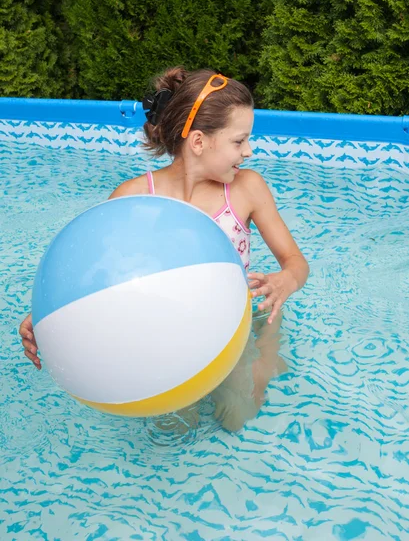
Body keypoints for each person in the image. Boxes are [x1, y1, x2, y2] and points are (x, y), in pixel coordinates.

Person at [19, 67, 309, 432]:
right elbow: (92, 272)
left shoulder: (246, 189)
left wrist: (286, 280)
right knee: (172, 427)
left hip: (234, 325)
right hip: (164, 329)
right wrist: (49, 315)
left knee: (240, 416)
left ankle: (266, 351)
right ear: (199, 141)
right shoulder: (133, 197)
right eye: (239, 141)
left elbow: (295, 262)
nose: (248, 152)